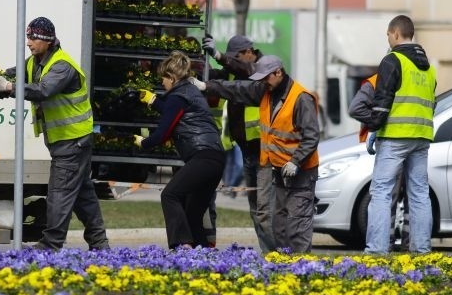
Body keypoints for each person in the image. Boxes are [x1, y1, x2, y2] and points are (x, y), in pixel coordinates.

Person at [0, 17, 109, 251]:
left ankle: (51, 244)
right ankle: (99, 243)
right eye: (28, 37)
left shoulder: (62, 66)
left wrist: (9, 88)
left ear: (47, 40)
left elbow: (43, 90)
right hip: (67, 140)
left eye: (33, 38)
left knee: (59, 193)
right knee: (83, 195)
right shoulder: (36, 61)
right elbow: (14, 75)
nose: (28, 42)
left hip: (73, 141)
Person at [193, 55, 319, 252]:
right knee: (279, 223)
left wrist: (296, 161)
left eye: (265, 77)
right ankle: (280, 264)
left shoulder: (301, 98)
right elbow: (237, 89)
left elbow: (311, 136)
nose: (262, 83)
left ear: (278, 72)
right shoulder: (266, 90)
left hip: (301, 172)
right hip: (277, 169)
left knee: (297, 223)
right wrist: (207, 86)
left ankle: (303, 269)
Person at [353, 14, 436, 254]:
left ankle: (377, 251)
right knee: (420, 193)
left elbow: (382, 102)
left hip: (395, 137)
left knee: (381, 192)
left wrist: (373, 127)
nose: (388, 39)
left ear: (396, 34)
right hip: (421, 137)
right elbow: (431, 105)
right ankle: (421, 250)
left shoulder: (392, 60)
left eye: (388, 35)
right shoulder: (429, 68)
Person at [132, 50, 225, 249]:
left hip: (202, 158)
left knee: (170, 195)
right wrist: (154, 101)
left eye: (163, 79)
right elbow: (174, 112)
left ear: (172, 78)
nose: (162, 83)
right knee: (192, 213)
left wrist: (143, 143)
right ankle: (201, 252)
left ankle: (182, 246)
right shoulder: (191, 92)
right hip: (216, 158)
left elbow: (162, 134)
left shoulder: (177, 97)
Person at [199, 34, 276, 252]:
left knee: (264, 209)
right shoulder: (236, 69)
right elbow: (218, 77)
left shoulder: (262, 68)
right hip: (247, 149)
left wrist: (218, 54)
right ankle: (270, 253)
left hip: (265, 149)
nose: (234, 61)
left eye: (237, 56)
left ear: (249, 52)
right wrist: (195, 65)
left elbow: (245, 71)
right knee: (256, 209)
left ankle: (277, 255)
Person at [349, 74, 409, 251]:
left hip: (391, 142)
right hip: (417, 139)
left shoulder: (378, 79)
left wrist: (378, 122)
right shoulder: (420, 76)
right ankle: (413, 248)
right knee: (416, 197)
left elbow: (355, 108)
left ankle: (382, 246)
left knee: (384, 195)